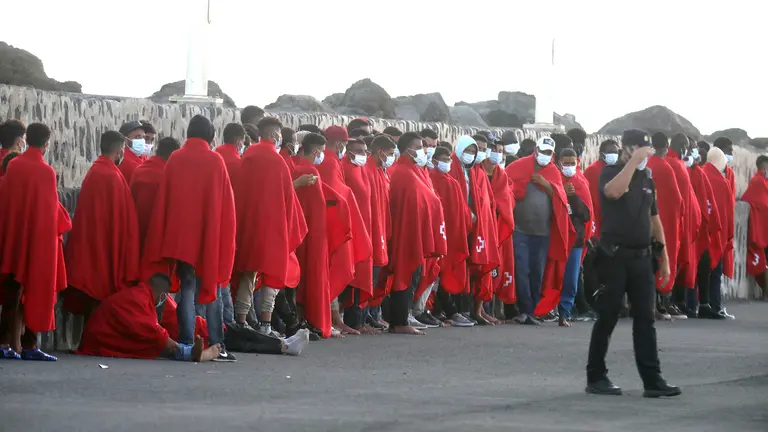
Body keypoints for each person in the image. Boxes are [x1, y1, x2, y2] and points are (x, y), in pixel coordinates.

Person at [586, 129, 680, 398]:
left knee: (645, 320)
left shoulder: (648, 177)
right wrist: (631, 161)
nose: (645, 157)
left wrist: (664, 257)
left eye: (647, 152)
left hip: (641, 258)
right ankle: (596, 376)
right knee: (607, 317)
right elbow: (613, 192)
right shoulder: (611, 171)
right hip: (614, 257)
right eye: (640, 150)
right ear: (627, 149)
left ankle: (652, 380)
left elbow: (655, 218)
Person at [142, 115, 237, 362]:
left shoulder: (176, 158)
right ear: (210, 136)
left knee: (187, 288)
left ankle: (186, 341)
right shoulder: (215, 160)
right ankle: (217, 344)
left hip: (181, 239)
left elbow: (167, 198)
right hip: (208, 237)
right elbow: (226, 205)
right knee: (213, 289)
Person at [0, 123, 72, 361]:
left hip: (14, 237)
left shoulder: (14, 166)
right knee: (36, 291)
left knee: (11, 294)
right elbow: (49, 211)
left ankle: (3, 343)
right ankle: (30, 345)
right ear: (46, 144)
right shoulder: (46, 172)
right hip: (38, 241)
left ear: (26, 140)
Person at [233, 116, 309, 338]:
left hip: (249, 224)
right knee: (272, 276)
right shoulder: (278, 162)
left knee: (248, 274)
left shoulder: (248, 156)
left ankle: (241, 321)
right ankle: (266, 324)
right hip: (274, 226)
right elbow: (288, 197)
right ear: (276, 136)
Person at [63, 131, 140, 319]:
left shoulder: (96, 170)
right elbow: (119, 217)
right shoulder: (111, 175)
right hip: (105, 245)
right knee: (99, 295)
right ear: (119, 151)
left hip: (91, 242)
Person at [505, 136, 574, 325]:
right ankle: (525, 309)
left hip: (543, 232)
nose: (545, 156)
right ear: (535, 150)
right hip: (520, 230)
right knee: (521, 269)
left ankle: (533, 310)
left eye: (548, 153)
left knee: (537, 272)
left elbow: (560, 200)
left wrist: (546, 184)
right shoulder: (517, 166)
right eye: (542, 151)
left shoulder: (552, 171)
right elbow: (505, 189)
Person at [77, 275, 221, 361]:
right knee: (155, 341)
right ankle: (189, 354)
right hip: (98, 341)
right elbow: (148, 327)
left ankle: (189, 352)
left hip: (108, 336)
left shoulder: (144, 296)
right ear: (163, 294)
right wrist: (166, 339)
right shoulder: (138, 298)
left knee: (152, 343)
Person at [292, 132, 352, 338]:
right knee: (311, 278)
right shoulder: (309, 173)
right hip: (313, 237)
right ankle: (313, 321)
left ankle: (303, 320)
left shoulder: (298, 170)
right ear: (317, 150)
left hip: (302, 235)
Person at [387, 132, 446, 335]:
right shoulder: (403, 172)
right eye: (420, 146)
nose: (424, 151)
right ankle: (400, 320)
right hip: (407, 233)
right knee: (406, 274)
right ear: (408, 149)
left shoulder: (416, 171)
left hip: (417, 232)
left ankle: (404, 317)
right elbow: (407, 204)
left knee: (413, 275)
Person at [317, 126, 371, 335]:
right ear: (340, 144)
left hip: (330, 224)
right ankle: (332, 319)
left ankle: (335, 318)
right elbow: (336, 195)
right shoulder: (330, 162)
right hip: (332, 226)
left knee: (330, 270)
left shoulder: (331, 160)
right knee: (333, 269)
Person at [447, 135, 500, 325]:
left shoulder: (475, 171)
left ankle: (467, 309)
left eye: (474, 151)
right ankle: (452, 310)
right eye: (468, 150)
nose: (471, 155)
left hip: (475, 228)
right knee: (455, 266)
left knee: (470, 269)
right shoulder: (453, 168)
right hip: (457, 226)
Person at [429, 146, 473, 326]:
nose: (447, 163)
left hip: (452, 234)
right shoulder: (431, 179)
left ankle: (446, 311)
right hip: (439, 233)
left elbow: (460, 209)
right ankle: (442, 310)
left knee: (446, 273)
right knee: (435, 274)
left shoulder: (451, 181)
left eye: (449, 160)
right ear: (434, 161)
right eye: (443, 160)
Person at [341, 136, 376, 333]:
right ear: (348, 151)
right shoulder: (344, 168)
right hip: (352, 231)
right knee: (351, 277)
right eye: (359, 151)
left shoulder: (362, 170)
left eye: (365, 151)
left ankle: (360, 320)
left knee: (364, 275)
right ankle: (350, 321)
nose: (363, 155)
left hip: (366, 230)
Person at [647, 133, 683, 320]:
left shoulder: (646, 164)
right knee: (660, 261)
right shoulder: (666, 167)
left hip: (644, 221)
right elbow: (677, 199)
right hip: (664, 221)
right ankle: (659, 305)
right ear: (666, 146)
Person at [555, 148, 592, 326]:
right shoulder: (553, 179)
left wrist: (573, 197)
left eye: (572, 163)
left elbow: (586, 214)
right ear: (559, 162)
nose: (569, 167)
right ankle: (548, 310)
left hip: (575, 239)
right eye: (566, 163)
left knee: (571, 278)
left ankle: (565, 311)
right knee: (553, 276)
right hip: (556, 237)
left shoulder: (580, 182)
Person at [481, 139, 517, 320]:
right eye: (494, 149)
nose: (498, 153)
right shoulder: (477, 172)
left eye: (501, 150)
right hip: (482, 228)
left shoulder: (501, 176)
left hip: (498, 229)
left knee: (496, 269)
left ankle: (492, 310)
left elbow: (507, 200)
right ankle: (480, 309)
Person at [666, 133, 702, 316]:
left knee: (680, 263)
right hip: (676, 223)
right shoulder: (672, 164)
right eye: (686, 147)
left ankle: (675, 301)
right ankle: (669, 301)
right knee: (673, 261)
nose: (688, 152)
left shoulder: (678, 164)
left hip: (684, 223)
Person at [699, 147, 736, 320]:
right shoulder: (722, 182)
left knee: (699, 270)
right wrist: (729, 234)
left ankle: (696, 305)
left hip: (700, 231)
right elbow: (728, 211)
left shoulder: (700, 173)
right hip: (717, 233)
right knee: (715, 272)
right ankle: (715, 306)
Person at [363, 135, 395, 329]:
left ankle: (372, 314)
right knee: (369, 276)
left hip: (382, 229)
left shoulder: (380, 171)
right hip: (373, 231)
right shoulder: (368, 170)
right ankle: (363, 317)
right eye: (390, 154)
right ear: (380, 151)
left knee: (377, 277)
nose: (392, 158)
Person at [688, 141, 723, 317]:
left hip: (700, 228)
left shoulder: (699, 173)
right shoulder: (689, 171)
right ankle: (690, 303)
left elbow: (707, 201)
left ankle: (702, 304)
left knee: (703, 265)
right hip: (691, 228)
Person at [130, 137, 180, 254]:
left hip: (137, 228)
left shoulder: (139, 170)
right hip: (158, 234)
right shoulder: (169, 176)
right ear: (172, 155)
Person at [742, 155, 768, 299]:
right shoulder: (758, 181)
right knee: (763, 261)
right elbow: (754, 201)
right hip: (762, 228)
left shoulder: (763, 181)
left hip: (764, 227)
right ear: (764, 168)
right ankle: (766, 292)